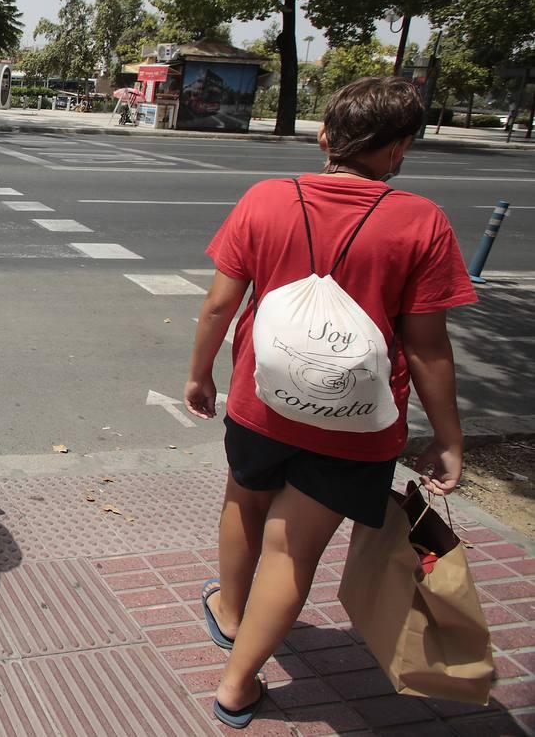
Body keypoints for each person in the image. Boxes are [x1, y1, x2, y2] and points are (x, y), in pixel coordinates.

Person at [183, 76, 476, 729]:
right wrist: (449, 437)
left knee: (244, 501)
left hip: (264, 402)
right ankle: (236, 687)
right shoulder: (420, 222)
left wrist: (200, 375)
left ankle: (230, 616)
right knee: (293, 552)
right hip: (356, 427)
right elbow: (427, 346)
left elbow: (218, 304)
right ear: (397, 148)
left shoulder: (264, 200)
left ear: (324, 135)